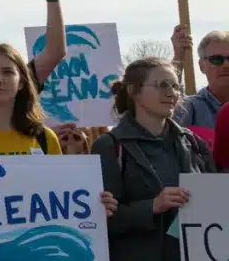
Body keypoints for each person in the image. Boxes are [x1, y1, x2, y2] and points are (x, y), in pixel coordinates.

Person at [93, 57, 216, 261]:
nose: (172, 93)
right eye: (162, 85)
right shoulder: (110, 146)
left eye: (176, 86)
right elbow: (100, 220)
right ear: (133, 91)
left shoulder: (193, 142)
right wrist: (153, 206)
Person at [169, 27, 229, 130]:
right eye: (217, 59)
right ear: (202, 66)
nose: (226, 65)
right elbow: (167, 122)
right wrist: (178, 57)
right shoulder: (191, 108)